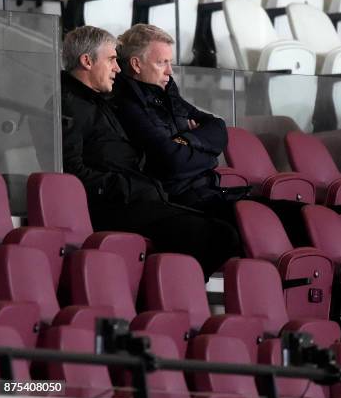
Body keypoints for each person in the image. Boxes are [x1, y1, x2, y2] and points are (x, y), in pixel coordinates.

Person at [61, 25, 239, 277]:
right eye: (112, 60)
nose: (117, 68)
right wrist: (131, 186)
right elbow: (72, 173)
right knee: (219, 235)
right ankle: (162, 299)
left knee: (226, 230)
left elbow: (215, 125)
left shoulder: (102, 100)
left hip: (140, 196)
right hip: (114, 205)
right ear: (87, 61)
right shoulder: (68, 106)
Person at [113, 24, 307, 245]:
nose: (170, 71)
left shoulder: (167, 94)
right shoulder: (128, 105)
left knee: (304, 215)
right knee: (280, 222)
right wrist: (206, 151)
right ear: (136, 64)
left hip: (210, 192)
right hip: (185, 202)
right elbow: (172, 161)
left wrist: (186, 140)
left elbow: (217, 126)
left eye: (169, 62)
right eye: (161, 62)